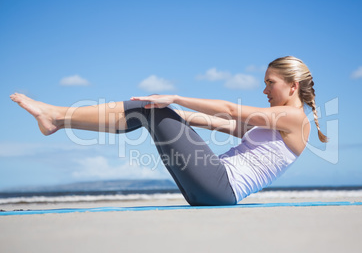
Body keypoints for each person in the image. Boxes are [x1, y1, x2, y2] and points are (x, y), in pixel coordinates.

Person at [10, 56, 327, 206]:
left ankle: (55, 117)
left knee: (155, 109)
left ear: (292, 86)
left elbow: (230, 110)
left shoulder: (291, 118)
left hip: (220, 186)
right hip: (212, 191)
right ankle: (57, 119)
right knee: (151, 111)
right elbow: (223, 123)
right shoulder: (281, 119)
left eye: (270, 83)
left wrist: (172, 99)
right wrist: (174, 115)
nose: (265, 90)